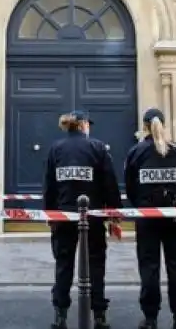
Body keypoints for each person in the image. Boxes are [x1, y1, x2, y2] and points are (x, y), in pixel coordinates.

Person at [43, 110, 122, 329]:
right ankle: (99, 315)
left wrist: (49, 213)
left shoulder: (56, 149)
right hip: (93, 218)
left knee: (63, 264)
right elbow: (110, 183)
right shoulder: (97, 148)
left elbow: (49, 185)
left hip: (64, 216)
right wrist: (114, 214)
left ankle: (60, 314)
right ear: (84, 125)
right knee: (96, 264)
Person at [124, 108, 176, 329]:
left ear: (144, 126)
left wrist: (141, 205)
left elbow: (131, 186)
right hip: (174, 217)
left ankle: (151, 318)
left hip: (148, 217)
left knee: (149, 267)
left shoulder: (137, 151)